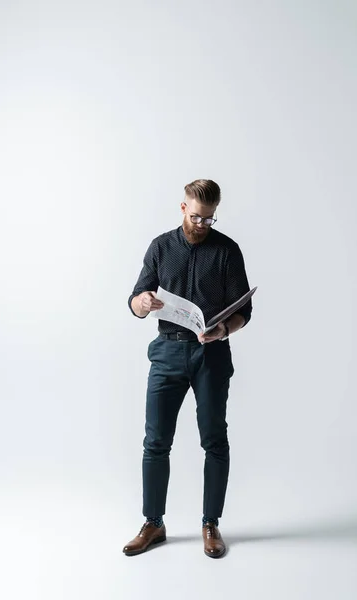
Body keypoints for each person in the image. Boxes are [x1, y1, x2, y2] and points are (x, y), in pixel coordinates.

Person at [122, 179, 252, 558]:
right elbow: (135, 300)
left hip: (211, 355)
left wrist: (224, 328)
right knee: (156, 441)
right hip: (167, 351)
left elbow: (244, 311)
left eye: (209, 219)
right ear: (182, 208)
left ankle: (210, 524)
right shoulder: (161, 247)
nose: (201, 224)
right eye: (196, 216)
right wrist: (142, 303)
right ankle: (153, 523)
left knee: (214, 439)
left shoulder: (228, 251)